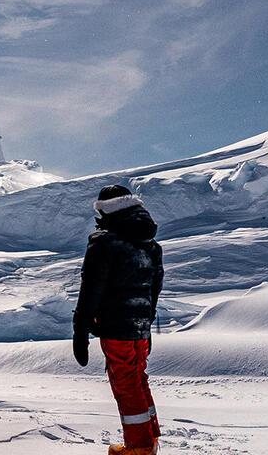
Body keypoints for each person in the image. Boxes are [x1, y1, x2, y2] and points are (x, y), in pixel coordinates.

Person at [73, 184, 164, 454]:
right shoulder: (151, 244)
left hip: (116, 326)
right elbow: (154, 286)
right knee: (138, 378)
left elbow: (92, 287)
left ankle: (139, 447)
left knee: (125, 382)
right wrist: (146, 318)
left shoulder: (104, 242)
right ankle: (150, 437)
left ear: (105, 210)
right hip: (141, 325)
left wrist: (81, 327)